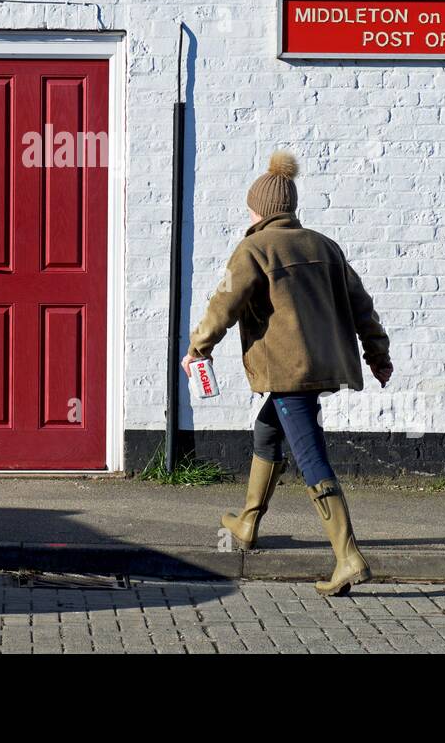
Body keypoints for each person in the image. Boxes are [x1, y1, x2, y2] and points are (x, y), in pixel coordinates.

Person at [182, 151, 393, 596]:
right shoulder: (324, 246)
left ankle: (348, 556)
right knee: (267, 432)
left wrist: (198, 348)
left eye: (251, 207)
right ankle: (246, 523)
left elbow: (224, 305)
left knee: (312, 457)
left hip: (287, 371)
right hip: (322, 366)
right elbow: (363, 306)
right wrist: (378, 355)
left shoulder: (254, 248)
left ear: (259, 209)